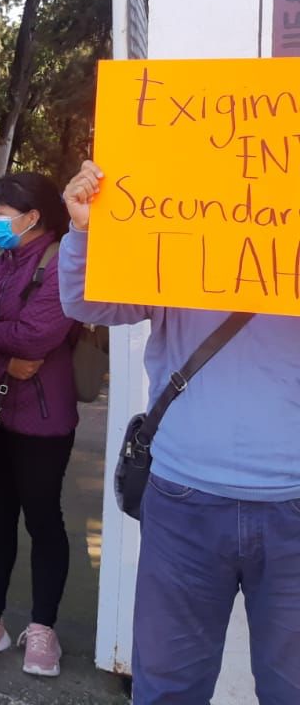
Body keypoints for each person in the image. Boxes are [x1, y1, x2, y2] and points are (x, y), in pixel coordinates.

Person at [60, 160, 300, 704]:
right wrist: (81, 230)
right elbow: (85, 302)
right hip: (183, 503)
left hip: (293, 505)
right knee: (168, 689)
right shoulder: (174, 240)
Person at [0, 172, 77, 678]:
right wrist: (0, 360)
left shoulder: (60, 262)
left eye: (2, 212)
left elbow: (36, 336)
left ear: (32, 218)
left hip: (43, 418)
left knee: (43, 518)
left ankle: (43, 628)